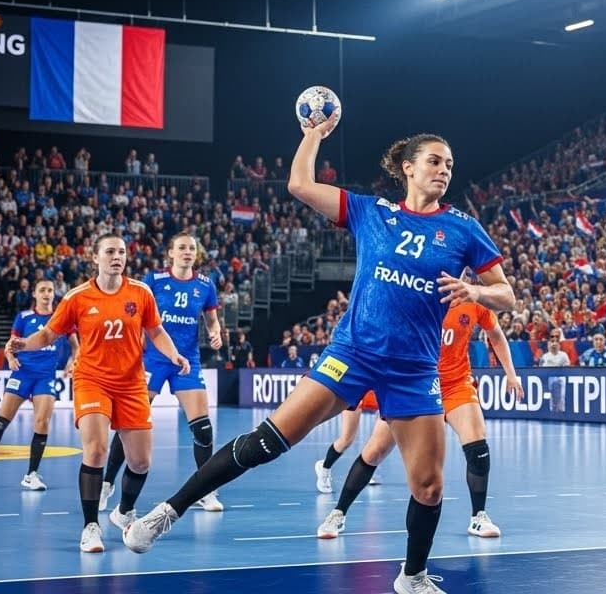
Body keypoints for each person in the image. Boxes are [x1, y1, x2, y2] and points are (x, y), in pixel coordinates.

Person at [122, 123, 513, 594]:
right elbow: (300, 185)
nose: (444, 170)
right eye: (434, 161)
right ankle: (169, 510)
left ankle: (412, 578)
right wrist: (313, 134)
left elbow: (506, 294)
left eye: (449, 164)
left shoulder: (464, 229)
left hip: (414, 370)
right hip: (353, 354)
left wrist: (475, 291)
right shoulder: (371, 212)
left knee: (429, 487)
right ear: (408, 168)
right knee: (267, 441)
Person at [6, 235, 189, 553]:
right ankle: (90, 527)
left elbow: (156, 331)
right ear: (96, 258)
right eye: (110, 252)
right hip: (92, 380)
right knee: (96, 451)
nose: (117, 256)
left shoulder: (141, 292)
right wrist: (24, 344)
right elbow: (49, 334)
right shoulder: (77, 297)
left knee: (141, 462)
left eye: (121, 252)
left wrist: (174, 354)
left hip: (131, 384)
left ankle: (123, 511)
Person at [317, 297, 523, 540]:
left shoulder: (474, 301)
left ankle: (479, 516)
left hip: (455, 385)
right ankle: (338, 513)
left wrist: (511, 374)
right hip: (414, 383)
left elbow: (496, 335)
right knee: (374, 452)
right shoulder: (418, 297)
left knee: (477, 442)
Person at [99, 233, 224, 514]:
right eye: (182, 247)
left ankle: (206, 490)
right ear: (171, 253)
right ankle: (107, 483)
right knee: (129, 424)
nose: (188, 252)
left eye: (192, 248)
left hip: (186, 362)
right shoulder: (153, 281)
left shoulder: (205, 285)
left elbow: (212, 320)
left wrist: (215, 333)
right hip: (151, 361)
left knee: (203, 429)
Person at [0, 280, 76, 490]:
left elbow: (76, 347)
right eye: (42, 290)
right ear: (34, 294)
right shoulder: (24, 317)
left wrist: (72, 362)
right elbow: (10, 345)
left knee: (42, 422)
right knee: (1, 422)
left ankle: (31, 475)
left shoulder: (61, 318)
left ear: (54, 294)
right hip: (23, 373)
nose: (47, 293)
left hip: (45, 377)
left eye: (50, 290)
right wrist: (10, 359)